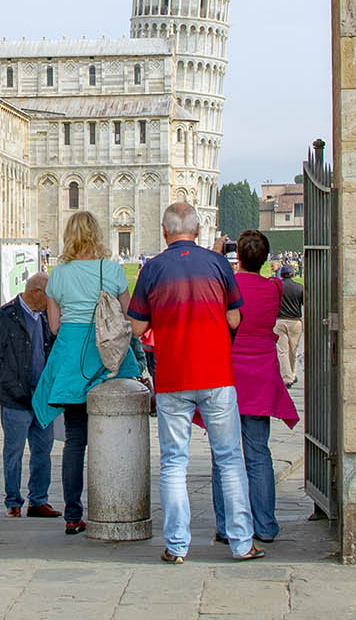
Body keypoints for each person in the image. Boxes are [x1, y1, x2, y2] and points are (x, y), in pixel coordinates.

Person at [127, 202, 258, 564]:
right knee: (230, 458)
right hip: (216, 372)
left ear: (165, 232)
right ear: (197, 230)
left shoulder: (152, 268)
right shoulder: (217, 264)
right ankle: (242, 542)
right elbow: (234, 318)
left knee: (173, 462)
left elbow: (136, 327)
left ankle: (177, 545)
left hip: (173, 375)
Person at [30, 212, 142, 535]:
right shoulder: (113, 269)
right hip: (107, 358)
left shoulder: (59, 274)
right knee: (112, 435)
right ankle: (114, 505)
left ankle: (73, 514)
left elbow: (53, 326)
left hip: (72, 358)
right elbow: (127, 319)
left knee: (75, 441)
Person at [209, 230, 297, 544]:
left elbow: (216, 291)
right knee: (259, 452)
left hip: (228, 374)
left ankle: (227, 524)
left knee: (224, 453)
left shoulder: (227, 286)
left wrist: (217, 257)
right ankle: (265, 524)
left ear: (239, 256)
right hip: (260, 375)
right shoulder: (273, 288)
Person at [0, 271, 59, 519]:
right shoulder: (8, 315)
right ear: (36, 292)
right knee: (13, 451)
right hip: (16, 398)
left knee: (43, 451)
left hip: (41, 397)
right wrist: (11, 382)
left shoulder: (47, 317)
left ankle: (38, 500)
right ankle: (13, 501)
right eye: (50, 296)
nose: (53, 301)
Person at [274, 264, 304, 388]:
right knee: (293, 350)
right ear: (293, 274)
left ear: (281, 275)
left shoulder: (277, 287)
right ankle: (292, 373)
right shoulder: (299, 288)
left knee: (282, 351)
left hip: (279, 320)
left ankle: (287, 377)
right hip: (295, 321)